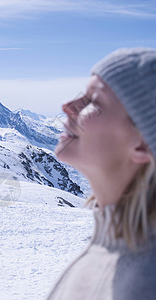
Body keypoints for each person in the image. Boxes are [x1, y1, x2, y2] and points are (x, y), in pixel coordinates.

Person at [46, 48, 156, 300]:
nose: (67, 106)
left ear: (143, 144)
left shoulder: (145, 281)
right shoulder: (112, 248)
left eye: (93, 101)